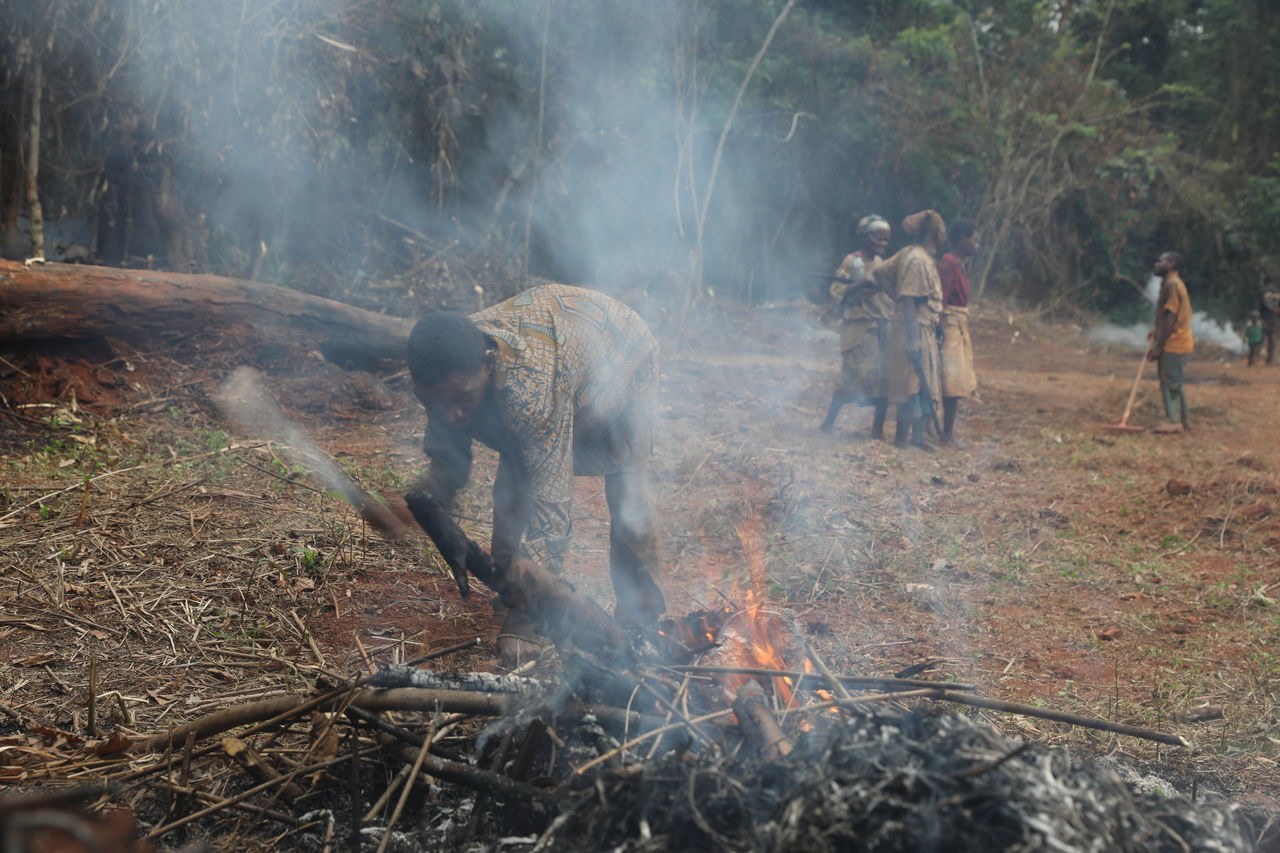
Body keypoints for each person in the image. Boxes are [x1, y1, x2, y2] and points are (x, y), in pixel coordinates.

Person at [405, 284, 665, 664]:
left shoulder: (531, 390)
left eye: (462, 399)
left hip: (623, 350)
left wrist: (526, 624)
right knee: (514, 474)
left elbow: (552, 513)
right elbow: (449, 456)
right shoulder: (448, 362)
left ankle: (642, 617)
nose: (451, 415)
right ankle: (509, 588)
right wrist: (428, 500)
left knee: (626, 490)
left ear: (489, 364)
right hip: (559, 348)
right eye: (434, 403)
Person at [875, 210, 946, 450]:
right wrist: (914, 341)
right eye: (942, 230)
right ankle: (902, 440)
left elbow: (880, 273)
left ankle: (918, 438)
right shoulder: (917, 259)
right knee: (910, 387)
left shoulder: (913, 254)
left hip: (920, 327)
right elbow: (907, 299)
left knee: (920, 383)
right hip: (912, 329)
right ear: (936, 233)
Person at [819, 214, 894, 438]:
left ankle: (877, 431)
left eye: (885, 240)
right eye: (877, 238)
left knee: (884, 380)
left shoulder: (883, 265)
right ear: (864, 236)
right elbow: (835, 292)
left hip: (881, 327)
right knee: (855, 377)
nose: (882, 243)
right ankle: (827, 425)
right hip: (858, 328)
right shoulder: (852, 261)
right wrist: (861, 284)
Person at [937, 219, 980, 443]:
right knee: (951, 378)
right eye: (975, 240)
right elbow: (942, 297)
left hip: (958, 323)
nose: (977, 245)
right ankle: (946, 433)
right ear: (963, 239)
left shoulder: (957, 263)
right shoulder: (950, 262)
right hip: (951, 324)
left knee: (954, 378)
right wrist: (938, 324)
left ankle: (946, 431)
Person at [1148, 251, 1194, 434]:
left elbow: (1171, 316)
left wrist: (1159, 345)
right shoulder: (1169, 283)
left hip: (1175, 343)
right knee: (1174, 381)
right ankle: (1182, 420)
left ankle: (1174, 421)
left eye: (1161, 261)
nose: (1157, 263)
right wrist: (1157, 332)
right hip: (1176, 341)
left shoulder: (1173, 284)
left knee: (1170, 382)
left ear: (1172, 264)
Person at [1260, 275, 1280, 365]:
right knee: (1273, 338)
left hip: (1264, 317)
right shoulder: (1277, 291)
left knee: (1262, 337)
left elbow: (1264, 303)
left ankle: (1255, 359)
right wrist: (1276, 310)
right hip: (1276, 318)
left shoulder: (1263, 290)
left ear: (1265, 281)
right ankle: (1272, 360)